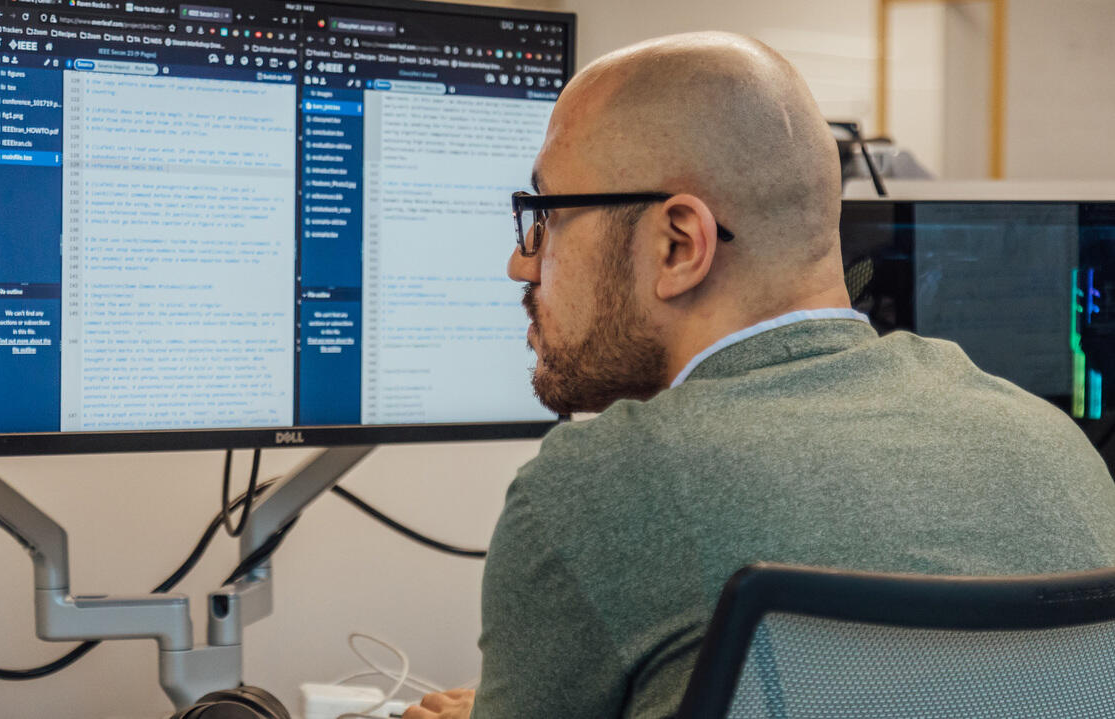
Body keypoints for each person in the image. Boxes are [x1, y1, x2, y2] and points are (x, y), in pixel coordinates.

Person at [403, 31, 1115, 719]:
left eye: (546, 216)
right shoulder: (1055, 448)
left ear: (679, 243)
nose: (521, 262)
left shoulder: (594, 486)